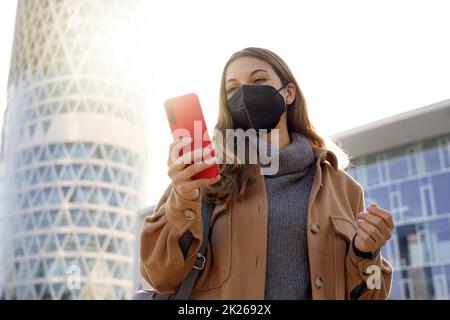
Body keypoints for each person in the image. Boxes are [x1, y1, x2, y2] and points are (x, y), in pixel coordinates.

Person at [140, 47, 393, 300]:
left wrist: (366, 254)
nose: (245, 93)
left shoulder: (345, 190)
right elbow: (160, 277)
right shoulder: (202, 180)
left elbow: (373, 295)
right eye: (232, 89)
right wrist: (183, 200)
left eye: (258, 80)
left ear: (289, 93)